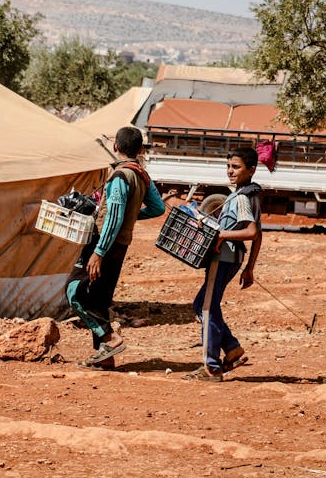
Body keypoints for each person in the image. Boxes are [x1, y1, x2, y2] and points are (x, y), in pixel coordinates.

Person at [65, 126, 166, 369]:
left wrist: (98, 253)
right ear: (140, 149)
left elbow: (113, 217)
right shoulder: (141, 175)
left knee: (74, 292)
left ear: (115, 147)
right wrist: (131, 218)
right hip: (120, 246)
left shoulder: (121, 176)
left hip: (104, 246)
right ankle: (105, 358)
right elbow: (157, 208)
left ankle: (111, 338)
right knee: (99, 298)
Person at [184, 146, 263, 382]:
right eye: (228, 166)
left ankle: (212, 367)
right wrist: (249, 267)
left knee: (206, 308)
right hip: (233, 259)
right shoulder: (250, 193)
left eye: (236, 167)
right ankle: (231, 348)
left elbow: (251, 231)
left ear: (251, 170)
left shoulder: (241, 197)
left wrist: (220, 236)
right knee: (203, 304)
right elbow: (258, 235)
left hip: (224, 258)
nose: (230, 171)